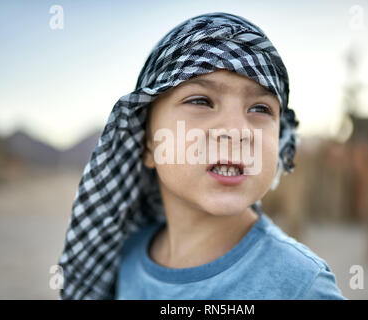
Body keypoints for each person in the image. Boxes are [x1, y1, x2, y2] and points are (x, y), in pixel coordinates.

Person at [57, 12, 346, 300]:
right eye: (201, 101)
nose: (235, 131)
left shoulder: (301, 285)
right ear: (147, 146)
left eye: (260, 109)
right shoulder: (127, 259)